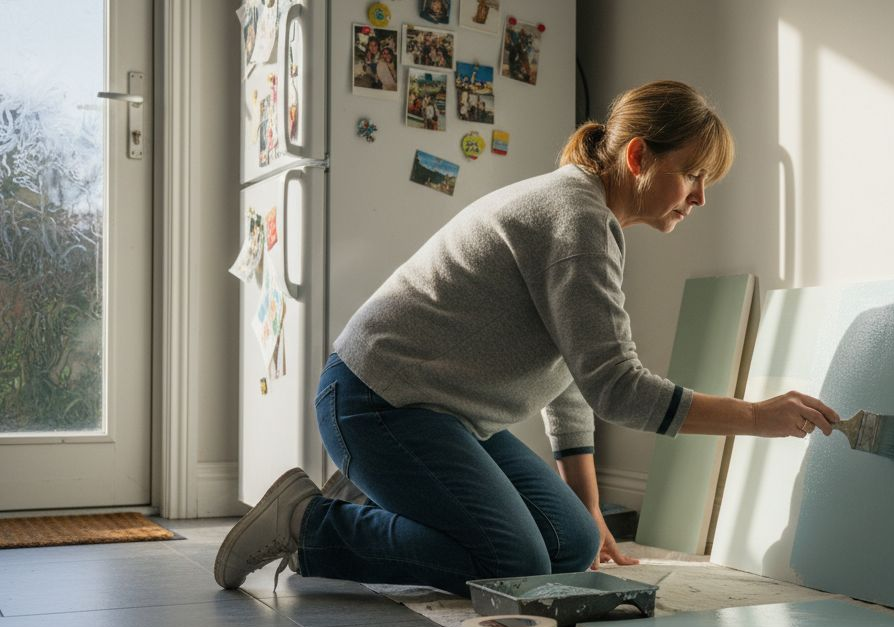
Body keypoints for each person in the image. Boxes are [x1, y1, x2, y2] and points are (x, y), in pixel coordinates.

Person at [213, 80, 839, 596]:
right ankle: (307, 522)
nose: (700, 197)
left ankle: (377, 487)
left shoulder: (588, 214)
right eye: (692, 175)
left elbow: (570, 382)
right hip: (376, 401)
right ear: (639, 157)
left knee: (571, 546)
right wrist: (755, 416)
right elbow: (616, 389)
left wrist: (588, 511)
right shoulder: (579, 220)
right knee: (512, 560)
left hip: (444, 417)